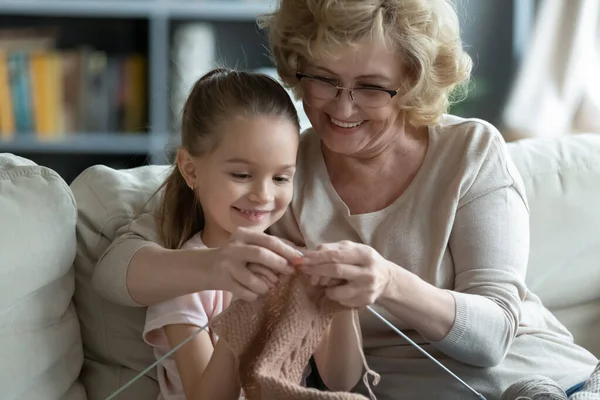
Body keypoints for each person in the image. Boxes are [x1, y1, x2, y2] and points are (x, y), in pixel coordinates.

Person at [94, 0, 599, 399]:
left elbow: (491, 340)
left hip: (547, 379)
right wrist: (215, 268)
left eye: (372, 88)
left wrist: (389, 282)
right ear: (298, 67)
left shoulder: (470, 151)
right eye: (324, 79)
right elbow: (115, 267)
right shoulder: (276, 171)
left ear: (412, 83)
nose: (343, 106)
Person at [140, 68, 365, 400]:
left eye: (280, 178)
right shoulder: (184, 281)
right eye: (242, 174)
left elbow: (341, 379)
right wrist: (245, 313)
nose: (263, 195)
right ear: (191, 170)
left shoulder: (294, 265)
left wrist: (345, 303)